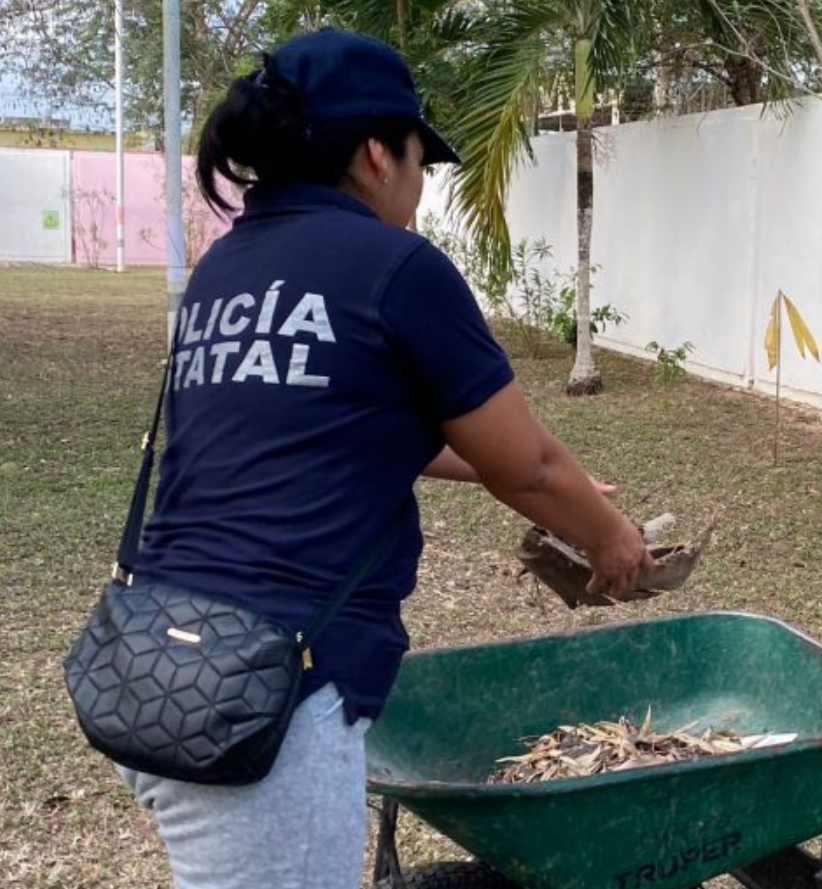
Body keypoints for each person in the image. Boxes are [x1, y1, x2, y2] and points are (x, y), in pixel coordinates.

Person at [118, 28, 655, 889]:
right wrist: (612, 539)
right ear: (375, 153)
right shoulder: (396, 267)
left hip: (157, 660)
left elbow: (340, 424)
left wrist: (529, 479)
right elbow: (531, 468)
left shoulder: (225, 270)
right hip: (267, 693)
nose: (419, 182)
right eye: (418, 159)